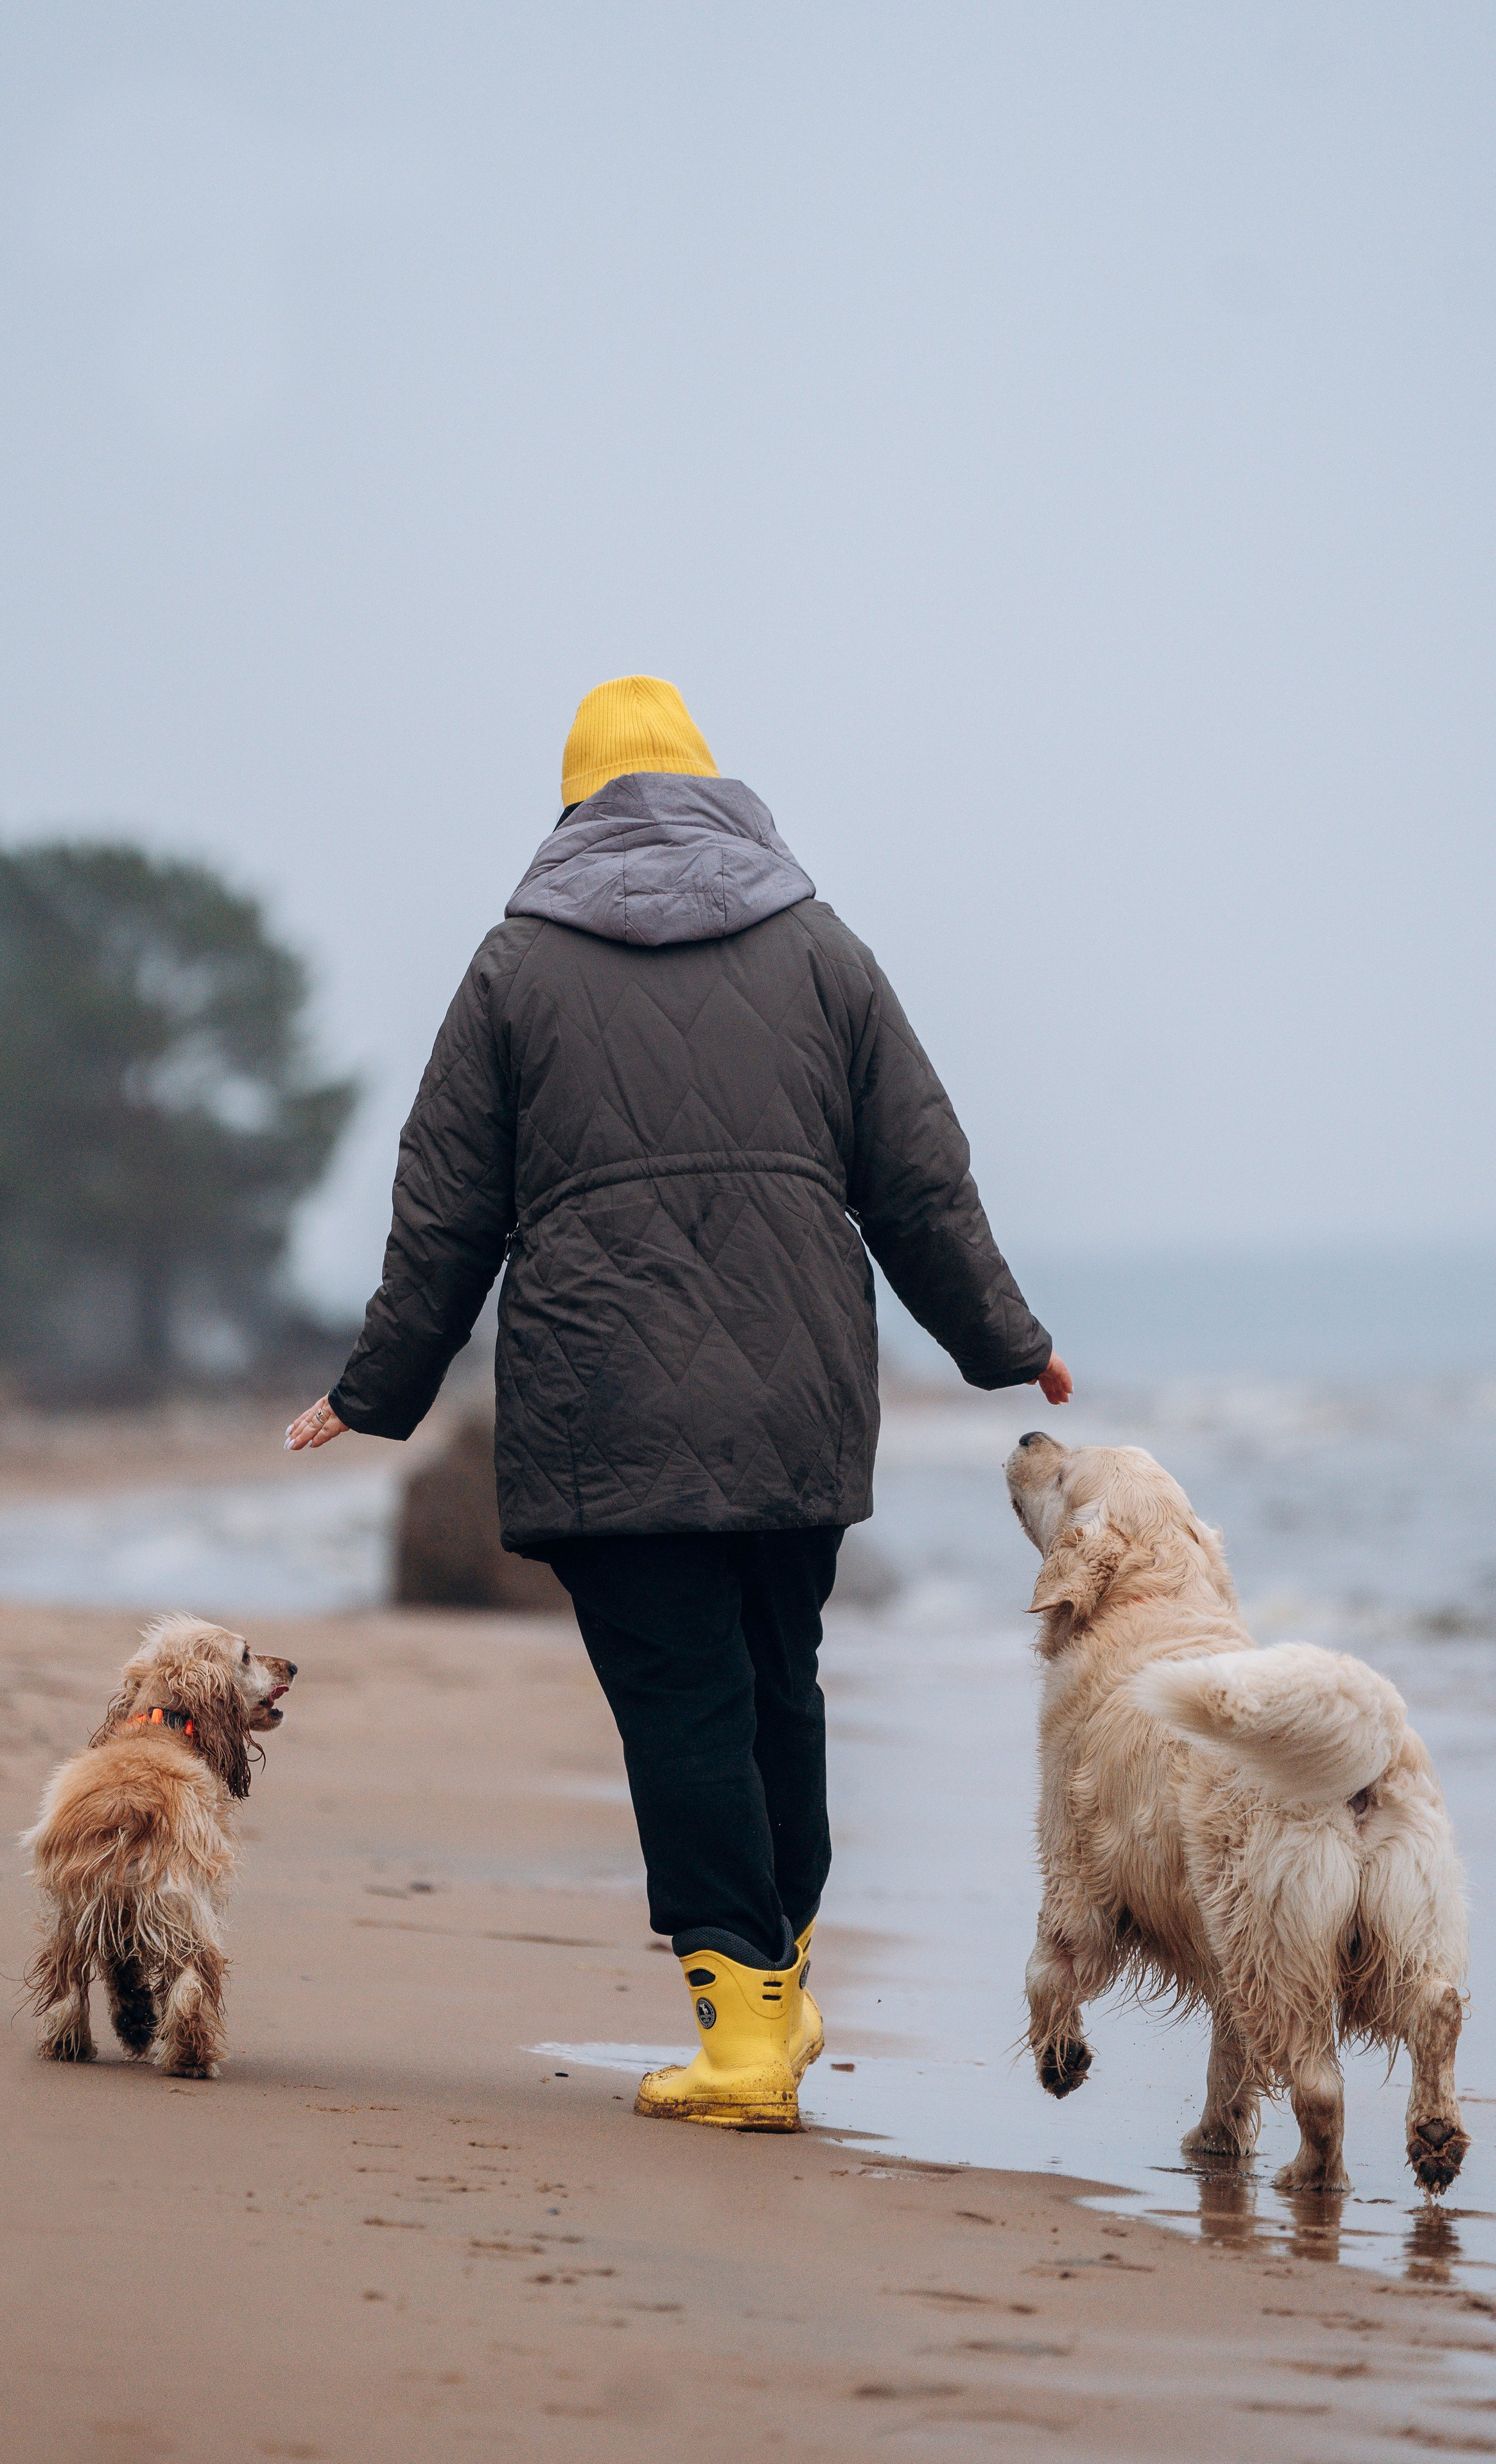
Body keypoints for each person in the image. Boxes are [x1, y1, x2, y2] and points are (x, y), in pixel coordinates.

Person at [288, 675, 1071, 2130]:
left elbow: (444, 1210)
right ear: (716, 787)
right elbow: (918, 1175)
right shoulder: (821, 947)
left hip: (608, 1397)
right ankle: (778, 1979)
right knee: (777, 1680)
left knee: (684, 1706)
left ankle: (742, 2036)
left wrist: (374, 1385)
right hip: (798, 1394)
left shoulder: (514, 966)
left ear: (575, 801)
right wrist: (1003, 1341)